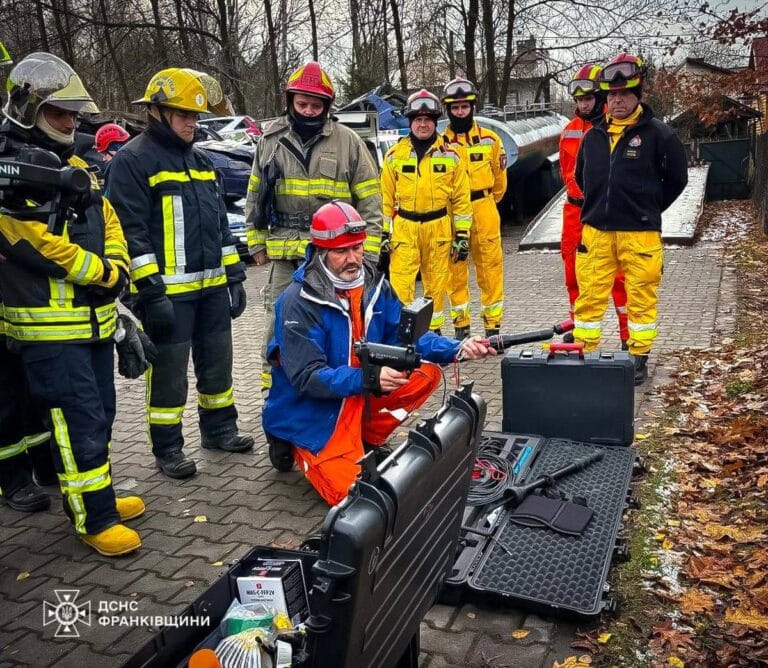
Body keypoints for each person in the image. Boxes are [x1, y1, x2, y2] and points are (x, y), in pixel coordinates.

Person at [0, 52, 144, 555]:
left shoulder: (78, 164)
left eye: (73, 114)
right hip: (48, 331)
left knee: (100, 413)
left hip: (94, 321)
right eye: (59, 114)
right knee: (77, 419)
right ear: (29, 110)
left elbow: (110, 220)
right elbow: (28, 239)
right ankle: (94, 517)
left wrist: (120, 268)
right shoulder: (9, 174)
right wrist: (101, 272)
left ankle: (94, 493)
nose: (70, 122)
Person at [262, 201, 495, 505]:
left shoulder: (372, 282)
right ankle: (287, 437)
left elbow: (404, 336)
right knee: (351, 497)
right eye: (341, 252)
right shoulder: (296, 302)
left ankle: (366, 437)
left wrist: (457, 348)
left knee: (424, 374)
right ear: (320, 251)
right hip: (317, 412)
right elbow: (307, 378)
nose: (353, 259)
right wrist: (370, 378)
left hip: (359, 389)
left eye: (357, 248)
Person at [107, 68, 253, 479]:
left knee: (218, 366)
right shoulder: (132, 161)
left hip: (210, 290)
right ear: (156, 111)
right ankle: (168, 447)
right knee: (169, 377)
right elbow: (129, 233)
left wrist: (235, 276)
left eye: (196, 116)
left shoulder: (202, 161)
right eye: (183, 115)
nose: (193, 123)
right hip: (167, 295)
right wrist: (150, 296)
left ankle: (220, 428)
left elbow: (221, 226)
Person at [243, 61, 382, 393]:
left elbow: (372, 203)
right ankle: (275, 399)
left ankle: (336, 392)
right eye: (301, 103)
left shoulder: (348, 142)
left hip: (333, 255)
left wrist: (369, 255)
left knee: (337, 327)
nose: (307, 110)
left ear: (326, 106)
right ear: (290, 101)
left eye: (315, 104)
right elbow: (254, 194)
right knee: (277, 327)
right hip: (285, 253)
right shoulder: (270, 140)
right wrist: (256, 243)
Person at [573, 53, 688, 384]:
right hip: (595, 231)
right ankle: (583, 352)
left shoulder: (659, 135)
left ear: (638, 94)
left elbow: (677, 180)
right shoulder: (593, 136)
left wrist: (646, 207)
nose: (617, 100)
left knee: (640, 297)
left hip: (639, 233)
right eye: (611, 95)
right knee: (589, 297)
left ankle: (638, 356)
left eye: (624, 94)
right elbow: (583, 178)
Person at [0, 43, 57, 512]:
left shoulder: (25, 143)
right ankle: (13, 477)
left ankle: (45, 463)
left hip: (26, 287)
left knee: (35, 384)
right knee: (5, 393)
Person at [381, 89, 472, 333]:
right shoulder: (394, 156)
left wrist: (462, 235)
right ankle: (403, 338)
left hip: (438, 228)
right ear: (410, 122)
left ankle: (434, 334)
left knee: (436, 287)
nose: (423, 125)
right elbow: (385, 199)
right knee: (400, 286)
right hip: (404, 229)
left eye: (428, 120)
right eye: (418, 120)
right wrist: (382, 234)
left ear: (435, 122)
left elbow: (462, 199)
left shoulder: (451, 155)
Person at [559, 64, 628, 348]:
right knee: (573, 273)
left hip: (610, 210)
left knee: (619, 277)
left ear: (600, 97)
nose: (584, 104)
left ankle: (628, 335)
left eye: (588, 98)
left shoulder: (619, 127)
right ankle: (578, 327)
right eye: (579, 100)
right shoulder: (569, 131)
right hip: (575, 211)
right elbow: (565, 173)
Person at [441, 77, 507, 338]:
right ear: (448, 110)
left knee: (491, 269)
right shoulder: (440, 144)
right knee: (455, 271)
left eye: (464, 107)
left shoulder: (491, 140)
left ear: (472, 107)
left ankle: (493, 327)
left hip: (484, 207)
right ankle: (461, 327)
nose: (460, 112)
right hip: (453, 213)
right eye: (455, 108)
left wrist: (487, 202)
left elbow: (500, 181)